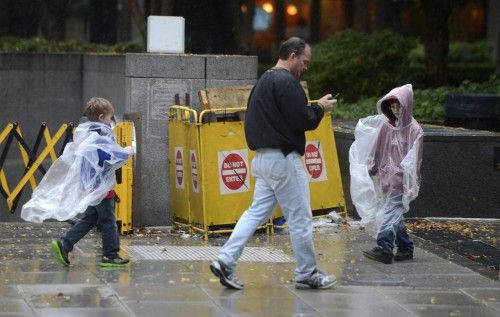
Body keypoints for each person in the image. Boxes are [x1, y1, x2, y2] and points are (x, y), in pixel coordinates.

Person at [210, 37, 337, 290]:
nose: (305, 67)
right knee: (300, 218)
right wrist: (320, 108)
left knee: (255, 213)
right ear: (292, 55)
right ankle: (307, 273)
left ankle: (225, 260)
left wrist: (313, 108)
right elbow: (303, 121)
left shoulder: (264, 81)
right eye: (304, 61)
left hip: (263, 159)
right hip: (284, 160)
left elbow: (278, 118)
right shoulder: (288, 83)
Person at [21, 97, 133, 267]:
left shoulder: (86, 131)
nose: (112, 121)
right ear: (102, 116)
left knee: (91, 218)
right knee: (109, 221)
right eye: (110, 117)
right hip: (101, 186)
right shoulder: (102, 133)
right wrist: (126, 152)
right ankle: (110, 255)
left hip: (89, 184)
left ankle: (65, 244)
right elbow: (106, 157)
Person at [349, 84, 423, 264]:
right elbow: (377, 148)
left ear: (406, 105)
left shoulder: (415, 130)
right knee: (394, 213)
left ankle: (385, 247)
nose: (396, 110)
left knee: (390, 212)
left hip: (400, 181)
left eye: (399, 106)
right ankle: (405, 247)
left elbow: (415, 160)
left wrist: (411, 185)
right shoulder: (386, 125)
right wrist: (371, 168)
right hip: (386, 177)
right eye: (393, 106)